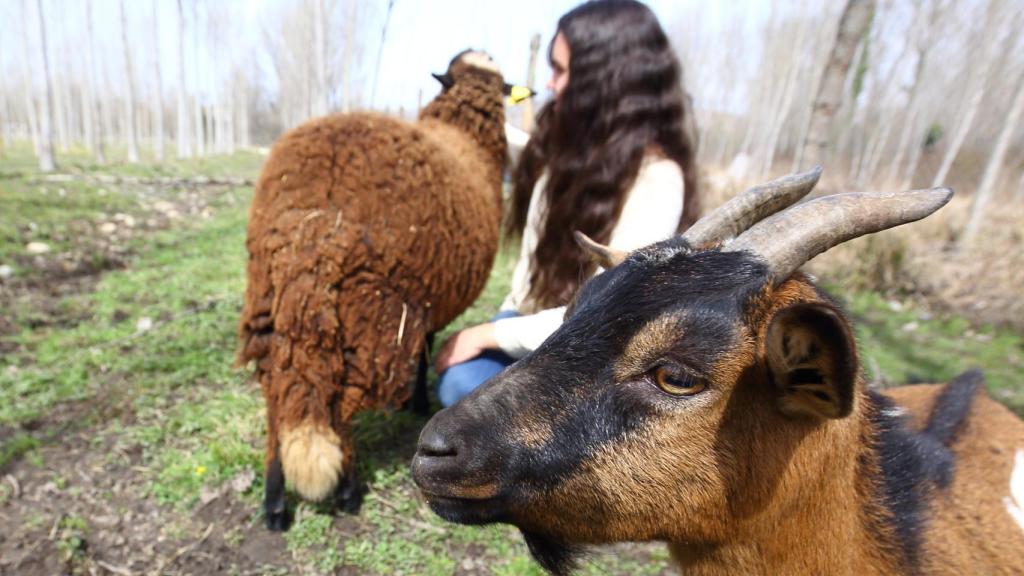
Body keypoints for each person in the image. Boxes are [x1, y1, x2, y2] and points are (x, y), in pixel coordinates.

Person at [434, 0, 700, 407]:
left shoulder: (657, 179)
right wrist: (466, 103)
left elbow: (610, 313)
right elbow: (507, 144)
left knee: (470, 392)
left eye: (560, 70)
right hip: (526, 324)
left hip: (591, 350)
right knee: (465, 383)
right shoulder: (563, 149)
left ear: (605, 79)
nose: (550, 85)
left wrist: (483, 335)